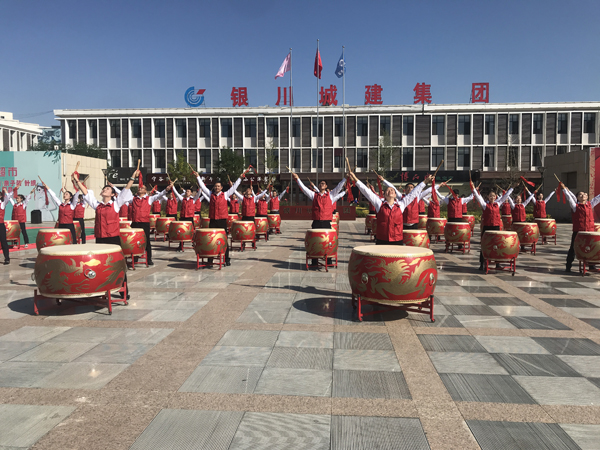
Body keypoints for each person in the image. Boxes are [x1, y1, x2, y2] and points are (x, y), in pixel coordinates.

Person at [73, 170, 136, 299]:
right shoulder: (98, 205)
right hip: (100, 239)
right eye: (104, 188)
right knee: (101, 265)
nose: (104, 190)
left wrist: (133, 177)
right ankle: (101, 289)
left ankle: (123, 290)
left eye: (107, 189)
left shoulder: (116, 204)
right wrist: (77, 180)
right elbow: (86, 193)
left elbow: (126, 189)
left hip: (113, 239)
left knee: (117, 265)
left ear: (112, 194)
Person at [351, 171, 432, 245]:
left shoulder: (401, 205)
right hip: (382, 239)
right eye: (388, 190)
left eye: (392, 190)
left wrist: (425, 181)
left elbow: (414, 193)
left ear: (395, 194)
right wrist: (355, 178)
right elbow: (366, 192)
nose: (390, 190)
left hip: (397, 239)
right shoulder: (379, 204)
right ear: (384, 195)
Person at [196, 168, 249, 266]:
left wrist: (240, 178)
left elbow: (234, 187)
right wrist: (198, 177)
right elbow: (203, 187)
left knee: (224, 240)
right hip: (213, 221)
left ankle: (226, 259)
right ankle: (210, 260)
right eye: (215, 186)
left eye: (218, 186)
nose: (217, 187)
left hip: (222, 221)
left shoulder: (225, 195)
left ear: (221, 188)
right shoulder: (211, 194)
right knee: (211, 240)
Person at [293, 173, 347, 266]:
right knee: (315, 241)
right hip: (316, 222)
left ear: (326, 186)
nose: (321, 184)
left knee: (328, 241)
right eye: (320, 183)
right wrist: (297, 179)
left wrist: (345, 178)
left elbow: (339, 187)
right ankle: (314, 260)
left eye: (323, 183)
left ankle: (329, 259)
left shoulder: (331, 195)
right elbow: (304, 189)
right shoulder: (314, 195)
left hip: (326, 222)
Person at [472, 183, 514, 270]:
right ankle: (482, 264)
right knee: (484, 246)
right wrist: (473, 188)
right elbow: (478, 197)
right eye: (490, 196)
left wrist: (512, 187)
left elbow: (506, 196)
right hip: (487, 228)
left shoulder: (498, 204)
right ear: (488, 197)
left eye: (494, 196)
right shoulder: (485, 205)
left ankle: (497, 263)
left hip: (496, 228)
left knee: (497, 245)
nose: (492, 197)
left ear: (496, 197)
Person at [562, 184, 600, 272]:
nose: (583, 195)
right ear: (577, 198)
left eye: (585, 194)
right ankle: (568, 266)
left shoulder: (590, 204)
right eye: (580, 195)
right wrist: (564, 190)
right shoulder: (575, 206)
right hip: (578, 232)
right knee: (573, 249)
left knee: (591, 248)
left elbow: (598, 198)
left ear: (587, 197)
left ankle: (591, 266)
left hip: (589, 232)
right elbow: (569, 198)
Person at [128, 180, 167, 264]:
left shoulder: (149, 199)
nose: (140, 189)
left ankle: (149, 259)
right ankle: (135, 257)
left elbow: (159, 195)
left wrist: (166, 190)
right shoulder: (133, 199)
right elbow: (122, 195)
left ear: (145, 191)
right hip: (135, 222)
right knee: (134, 240)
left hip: (144, 223)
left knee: (146, 241)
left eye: (142, 188)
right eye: (139, 188)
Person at [41, 179, 79, 243]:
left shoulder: (72, 205)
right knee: (60, 240)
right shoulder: (60, 204)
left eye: (66, 194)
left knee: (73, 240)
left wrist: (76, 184)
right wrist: (46, 187)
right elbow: (54, 196)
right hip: (61, 225)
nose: (64, 195)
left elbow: (76, 196)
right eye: (64, 194)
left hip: (69, 225)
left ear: (70, 197)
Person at [173, 185, 200, 252]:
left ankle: (194, 244)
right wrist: (173, 186)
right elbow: (176, 193)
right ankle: (181, 246)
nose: (187, 192)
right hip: (183, 218)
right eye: (186, 191)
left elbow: (199, 194)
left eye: (188, 191)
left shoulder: (193, 200)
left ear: (191, 193)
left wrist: (200, 188)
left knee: (192, 232)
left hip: (190, 218)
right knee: (181, 232)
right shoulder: (183, 199)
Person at [10, 181, 34, 248]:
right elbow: (10, 198)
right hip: (15, 221)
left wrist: (31, 193)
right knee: (15, 232)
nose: (17, 199)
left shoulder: (23, 205)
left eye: (18, 198)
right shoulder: (14, 205)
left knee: (23, 231)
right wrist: (14, 190)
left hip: (21, 221)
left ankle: (26, 243)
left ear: (21, 199)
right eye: (16, 198)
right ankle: (15, 243)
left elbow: (27, 200)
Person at [0, 188, 11, 264]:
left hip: (0, 225)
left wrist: (6, 191)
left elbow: (8, 197)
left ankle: (7, 258)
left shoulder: (2, 204)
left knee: (3, 241)